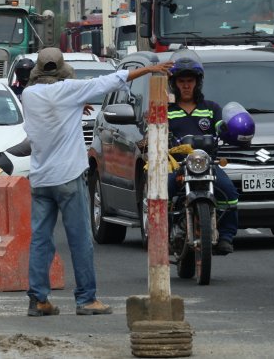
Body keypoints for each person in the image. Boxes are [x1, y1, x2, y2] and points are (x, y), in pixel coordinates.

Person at [22, 47, 172, 317]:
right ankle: (86, 299)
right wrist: (148, 70)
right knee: (80, 239)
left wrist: (77, 104)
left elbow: (55, 106)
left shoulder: (28, 95)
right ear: (61, 70)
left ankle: (38, 299)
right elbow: (109, 81)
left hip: (41, 178)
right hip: (68, 177)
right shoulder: (69, 90)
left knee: (41, 240)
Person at [165, 53, 243, 255]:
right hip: (177, 166)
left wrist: (229, 129)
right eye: (181, 81)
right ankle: (164, 236)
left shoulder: (211, 108)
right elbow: (154, 132)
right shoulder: (166, 110)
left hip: (208, 164)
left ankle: (225, 237)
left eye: (190, 81)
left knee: (230, 194)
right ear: (174, 84)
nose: (186, 85)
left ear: (197, 83)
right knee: (162, 194)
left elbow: (219, 126)